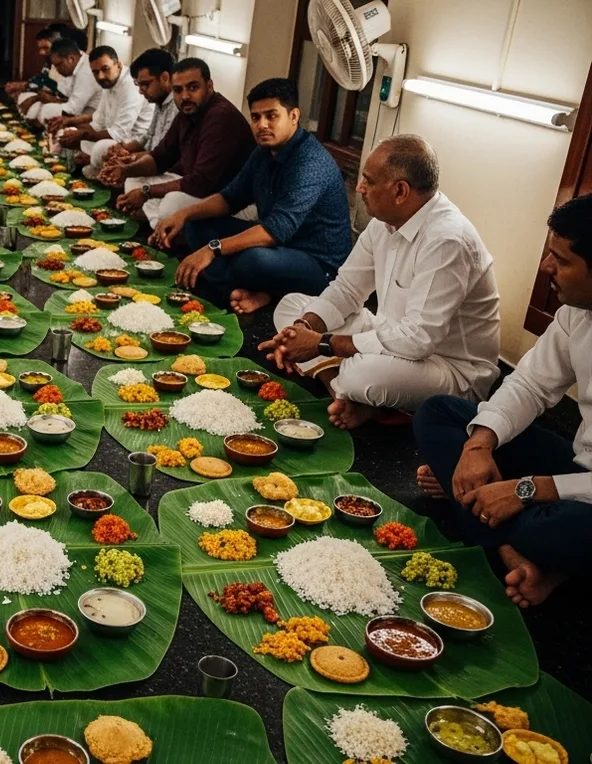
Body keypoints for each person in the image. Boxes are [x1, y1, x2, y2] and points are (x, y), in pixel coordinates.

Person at [412, 194, 592, 608]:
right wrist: (479, 446)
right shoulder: (576, 312)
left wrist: (526, 490)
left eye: (562, 261)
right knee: (439, 412)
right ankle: (513, 553)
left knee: (560, 530)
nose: (547, 268)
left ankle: (504, 530)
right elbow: (530, 385)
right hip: (577, 467)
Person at [261, 134, 500, 430]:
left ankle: (354, 391)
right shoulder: (384, 222)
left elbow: (418, 340)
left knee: (361, 375)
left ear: (400, 191)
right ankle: (342, 394)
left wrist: (322, 345)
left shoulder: (447, 240)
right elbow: (347, 289)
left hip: (450, 370)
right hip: (392, 339)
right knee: (293, 306)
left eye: (369, 181)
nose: (359, 188)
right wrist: (303, 330)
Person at [151, 78, 350, 313]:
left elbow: (276, 230)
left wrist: (212, 249)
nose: (262, 125)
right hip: (279, 248)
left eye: (271, 115)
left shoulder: (310, 162)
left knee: (252, 260)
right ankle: (248, 292)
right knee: (197, 225)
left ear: (294, 116)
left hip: (318, 266)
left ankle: (248, 291)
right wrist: (183, 214)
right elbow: (229, 198)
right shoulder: (263, 152)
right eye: (255, 117)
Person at [112, 58, 253, 228]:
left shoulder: (219, 117)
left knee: (171, 203)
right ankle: (161, 229)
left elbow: (200, 183)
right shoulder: (186, 114)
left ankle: (165, 235)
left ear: (209, 86)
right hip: (202, 190)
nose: (185, 96)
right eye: (178, 90)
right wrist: (125, 170)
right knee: (134, 181)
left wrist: (147, 192)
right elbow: (160, 157)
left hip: (231, 202)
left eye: (193, 87)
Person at [49, 46, 152, 180]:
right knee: (67, 134)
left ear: (119, 65)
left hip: (133, 143)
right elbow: (98, 121)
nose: (101, 76)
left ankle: (96, 169)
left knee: (100, 148)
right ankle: (82, 167)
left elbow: (119, 133)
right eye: (95, 72)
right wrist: (74, 133)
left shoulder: (130, 86)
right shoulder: (108, 84)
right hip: (113, 137)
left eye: (105, 69)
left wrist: (82, 135)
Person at [98, 48, 179, 186]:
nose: (141, 91)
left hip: (167, 168)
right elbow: (148, 135)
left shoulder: (176, 106)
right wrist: (123, 149)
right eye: (138, 85)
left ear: (165, 77)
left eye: (145, 85)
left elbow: (162, 155)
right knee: (103, 151)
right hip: (151, 157)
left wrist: (128, 159)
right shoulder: (160, 101)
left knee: (132, 181)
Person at [24, 37, 100, 125]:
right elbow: (66, 98)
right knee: (38, 103)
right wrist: (40, 98)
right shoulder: (75, 65)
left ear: (71, 59)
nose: (57, 70)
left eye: (59, 65)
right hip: (80, 112)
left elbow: (72, 110)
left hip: (92, 119)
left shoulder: (86, 72)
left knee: (47, 110)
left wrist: (50, 102)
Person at [11, 26, 65, 112]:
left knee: (39, 109)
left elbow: (58, 92)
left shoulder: (66, 65)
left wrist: (34, 98)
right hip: (52, 98)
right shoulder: (49, 62)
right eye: (40, 48)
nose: (41, 52)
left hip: (66, 106)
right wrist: (23, 87)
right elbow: (42, 80)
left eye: (46, 48)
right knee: (22, 97)